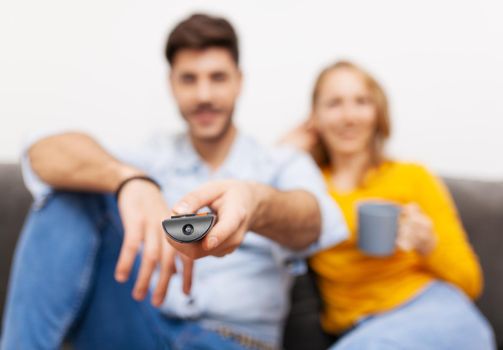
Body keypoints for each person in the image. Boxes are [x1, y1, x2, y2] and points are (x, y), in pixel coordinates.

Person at [0, 14, 347, 350]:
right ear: (171, 84)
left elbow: (314, 222)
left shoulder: (279, 162)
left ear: (239, 81)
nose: (204, 95)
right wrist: (129, 180)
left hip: (236, 341)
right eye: (189, 79)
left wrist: (254, 203)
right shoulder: (152, 155)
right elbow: (41, 151)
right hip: (143, 326)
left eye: (218, 77)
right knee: (75, 192)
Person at [281, 60, 495, 349]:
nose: (349, 116)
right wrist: (283, 152)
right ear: (314, 119)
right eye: (334, 103)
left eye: (361, 101)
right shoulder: (306, 188)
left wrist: (429, 244)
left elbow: (471, 283)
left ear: (377, 112)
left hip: (433, 308)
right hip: (363, 331)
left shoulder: (412, 177)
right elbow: (249, 205)